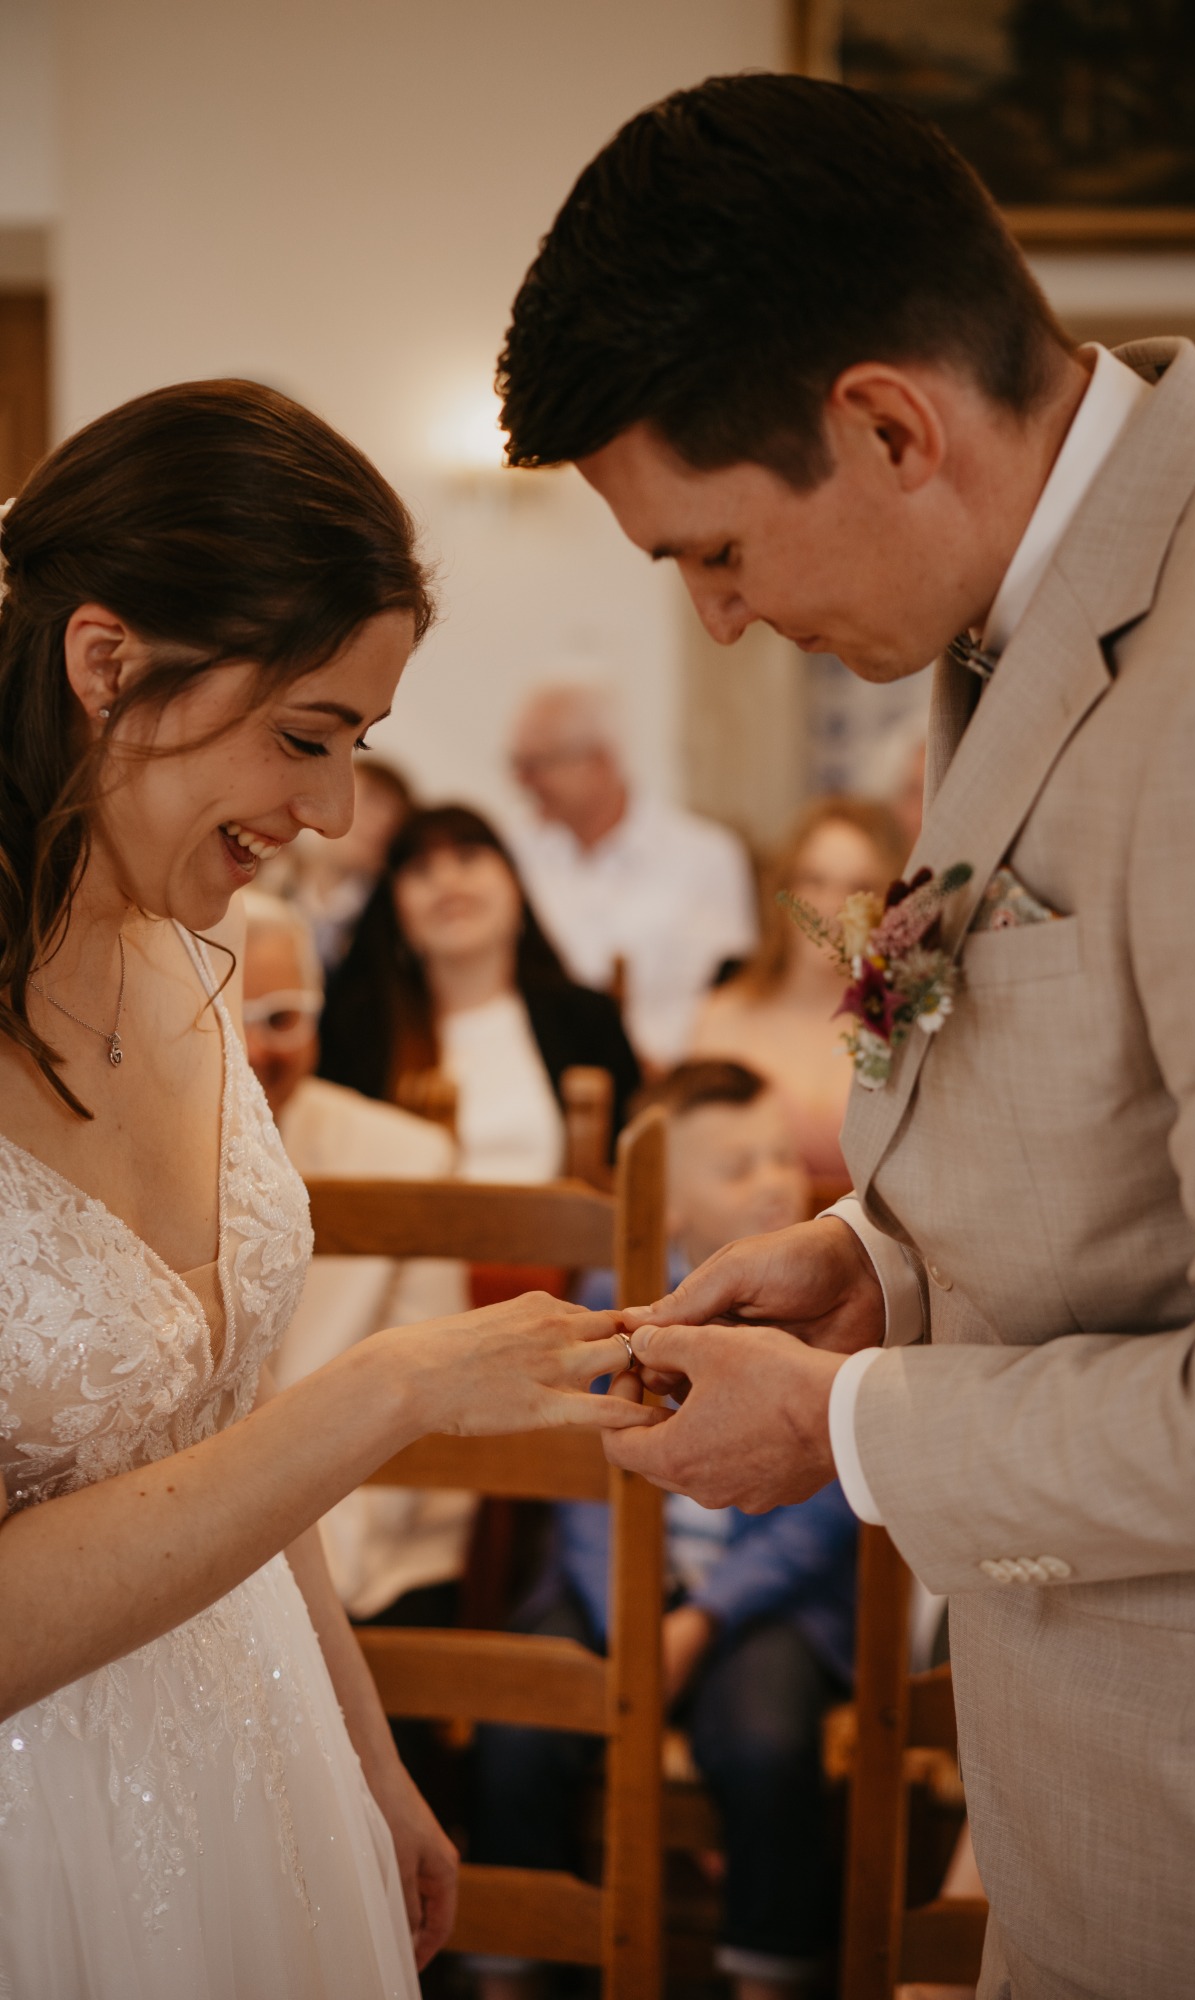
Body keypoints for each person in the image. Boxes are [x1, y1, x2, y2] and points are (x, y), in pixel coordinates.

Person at [495, 72, 1195, 1998]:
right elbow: (1117, 1148)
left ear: (887, 425)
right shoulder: (1033, 606)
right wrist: (875, 1258)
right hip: (1099, 1783)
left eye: (712, 551)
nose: (717, 621)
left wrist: (845, 1425)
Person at [0, 381, 656, 2000]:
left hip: (259, 1753)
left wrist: (365, 1758)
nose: (335, 813)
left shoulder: (193, 974)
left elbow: (212, 1434)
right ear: (105, 662)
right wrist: (388, 1390)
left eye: (357, 747)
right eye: (304, 737)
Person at [469, 1061, 857, 2000]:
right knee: (518, 1724)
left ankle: (769, 1974)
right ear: (667, 1205)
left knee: (766, 1745)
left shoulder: (828, 1311)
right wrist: (630, 1622)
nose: (774, 1182)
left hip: (759, 1603)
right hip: (609, 1586)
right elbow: (582, 1491)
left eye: (781, 1155)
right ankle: (508, 1965)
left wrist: (704, 1618)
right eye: (737, 1167)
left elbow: (823, 1514)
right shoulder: (614, 1292)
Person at [241, 887, 475, 1626]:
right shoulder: (135, 1160)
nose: (254, 1050)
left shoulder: (409, 1158)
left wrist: (295, 1573)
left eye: (281, 1018)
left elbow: (424, 1398)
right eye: (225, 1018)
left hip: (374, 1543)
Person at [319, 803, 640, 1182]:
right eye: (421, 870)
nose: (448, 884)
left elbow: (631, 1168)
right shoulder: (358, 1030)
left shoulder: (584, 1018)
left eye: (468, 858)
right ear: (394, 909)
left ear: (515, 885)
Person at [506, 680, 757, 1066]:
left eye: (538, 765)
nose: (522, 781)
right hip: (547, 1071)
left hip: (670, 1072)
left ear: (599, 761)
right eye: (517, 764)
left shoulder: (706, 855)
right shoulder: (513, 852)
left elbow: (730, 993)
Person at [692, 798, 906, 1181]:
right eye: (813, 880)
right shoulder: (722, 1018)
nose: (832, 906)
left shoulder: (911, 1029)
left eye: (860, 888)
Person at [263, 754, 417, 970]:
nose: (376, 825)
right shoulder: (269, 862)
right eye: (369, 802)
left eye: (390, 817)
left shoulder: (385, 923)